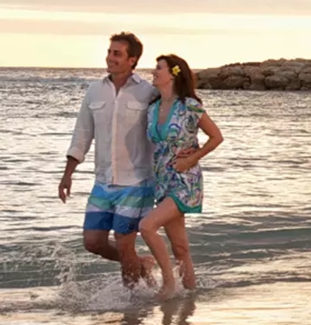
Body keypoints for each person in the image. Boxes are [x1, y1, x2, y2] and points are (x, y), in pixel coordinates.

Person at [58, 31, 158, 288]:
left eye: (117, 53)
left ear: (132, 60)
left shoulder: (148, 92)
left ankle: (131, 306)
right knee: (93, 242)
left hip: (136, 181)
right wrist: (68, 174)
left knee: (125, 245)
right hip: (103, 181)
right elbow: (82, 133)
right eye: (109, 52)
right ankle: (142, 264)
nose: (110, 58)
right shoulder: (94, 91)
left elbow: (164, 127)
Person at [139, 54, 223, 299]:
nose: (154, 72)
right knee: (180, 247)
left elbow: (216, 136)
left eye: (158, 68)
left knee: (147, 226)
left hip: (185, 180)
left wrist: (193, 157)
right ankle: (190, 296)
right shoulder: (152, 108)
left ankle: (168, 284)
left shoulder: (189, 106)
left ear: (173, 74)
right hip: (162, 180)